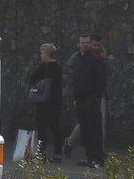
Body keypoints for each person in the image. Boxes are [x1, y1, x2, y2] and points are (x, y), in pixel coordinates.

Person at [71, 31, 107, 168]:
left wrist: (96, 97)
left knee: (94, 130)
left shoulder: (96, 60)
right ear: (78, 45)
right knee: (85, 129)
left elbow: (100, 80)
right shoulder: (78, 60)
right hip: (81, 99)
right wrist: (76, 97)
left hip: (91, 99)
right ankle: (90, 157)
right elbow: (76, 79)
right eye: (83, 43)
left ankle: (97, 159)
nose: (85, 45)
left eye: (87, 43)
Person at [29, 42, 63, 161]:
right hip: (55, 102)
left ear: (48, 54)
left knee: (42, 128)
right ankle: (58, 152)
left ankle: (41, 153)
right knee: (55, 127)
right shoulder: (58, 68)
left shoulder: (43, 67)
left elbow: (32, 79)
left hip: (42, 102)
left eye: (42, 53)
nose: (41, 55)